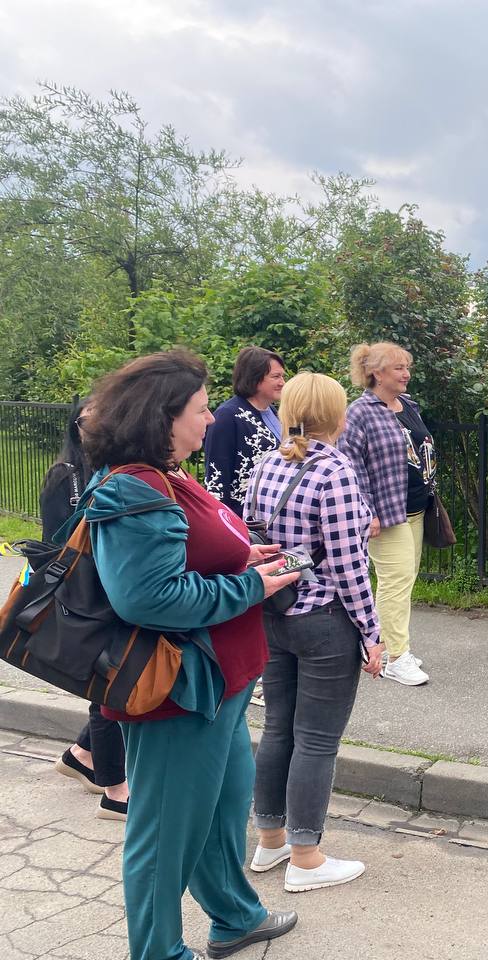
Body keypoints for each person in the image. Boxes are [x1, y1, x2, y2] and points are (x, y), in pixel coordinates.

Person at [80, 349, 301, 960]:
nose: (211, 419)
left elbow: (186, 554)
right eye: (201, 410)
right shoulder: (133, 487)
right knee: (165, 834)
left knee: (221, 811)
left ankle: (234, 917)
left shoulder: (166, 474)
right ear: (162, 416)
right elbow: (147, 597)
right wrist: (250, 586)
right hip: (179, 691)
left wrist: (242, 555)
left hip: (219, 681)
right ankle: (157, 951)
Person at [245, 372, 385, 892]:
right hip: (323, 618)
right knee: (317, 740)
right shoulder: (335, 471)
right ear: (336, 416)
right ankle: (306, 857)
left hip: (273, 610)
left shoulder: (267, 464)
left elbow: (249, 533)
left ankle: (270, 839)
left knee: (277, 728)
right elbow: (349, 564)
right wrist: (371, 631)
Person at [42, 399, 131, 821]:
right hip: (87, 594)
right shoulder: (65, 475)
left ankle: (82, 754)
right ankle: (115, 791)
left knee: (112, 679)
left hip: (112, 587)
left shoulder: (116, 469)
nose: (99, 425)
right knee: (107, 685)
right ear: (75, 427)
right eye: (89, 419)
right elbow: (54, 544)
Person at [340, 342, 432, 686]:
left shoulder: (408, 405)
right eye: (398, 368)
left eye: (407, 367)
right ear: (376, 373)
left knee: (405, 580)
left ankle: (395, 646)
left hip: (416, 507)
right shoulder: (359, 413)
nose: (406, 374)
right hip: (386, 512)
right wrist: (367, 511)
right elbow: (351, 465)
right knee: (395, 582)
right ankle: (395, 657)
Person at [204, 346, 287, 516]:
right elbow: (216, 478)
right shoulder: (227, 416)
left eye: (282, 376)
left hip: (273, 515)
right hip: (243, 518)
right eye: (276, 376)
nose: (282, 383)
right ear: (254, 377)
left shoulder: (273, 412)